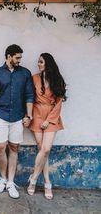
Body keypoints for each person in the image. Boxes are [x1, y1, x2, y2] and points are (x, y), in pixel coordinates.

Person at [0, 44, 34, 199]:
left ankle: (11, 182)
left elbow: (29, 96)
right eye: (17, 57)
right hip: (0, 115)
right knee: (0, 147)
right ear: (9, 56)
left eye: (20, 57)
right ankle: (2, 179)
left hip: (18, 116)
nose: (20, 60)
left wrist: (28, 115)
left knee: (14, 147)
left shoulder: (25, 74)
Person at [26, 53, 66, 200]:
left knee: (46, 149)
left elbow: (59, 101)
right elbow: (29, 97)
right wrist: (28, 115)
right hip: (37, 113)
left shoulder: (57, 79)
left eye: (41, 62)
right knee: (42, 150)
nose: (38, 64)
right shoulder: (34, 78)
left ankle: (34, 179)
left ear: (48, 63)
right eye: (38, 62)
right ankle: (47, 182)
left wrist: (49, 120)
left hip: (51, 115)